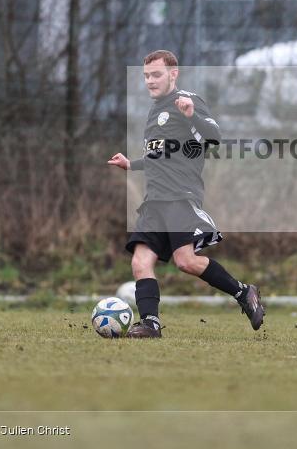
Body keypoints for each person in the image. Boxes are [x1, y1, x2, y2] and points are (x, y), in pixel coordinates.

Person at [108, 50, 265, 339]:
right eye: (146, 76)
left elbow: (215, 136)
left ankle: (244, 293)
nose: (150, 81)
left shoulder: (187, 101)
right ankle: (151, 324)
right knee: (140, 262)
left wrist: (193, 115)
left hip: (179, 196)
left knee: (186, 262)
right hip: (154, 200)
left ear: (173, 74)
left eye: (156, 74)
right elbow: (160, 155)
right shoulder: (155, 111)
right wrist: (132, 164)